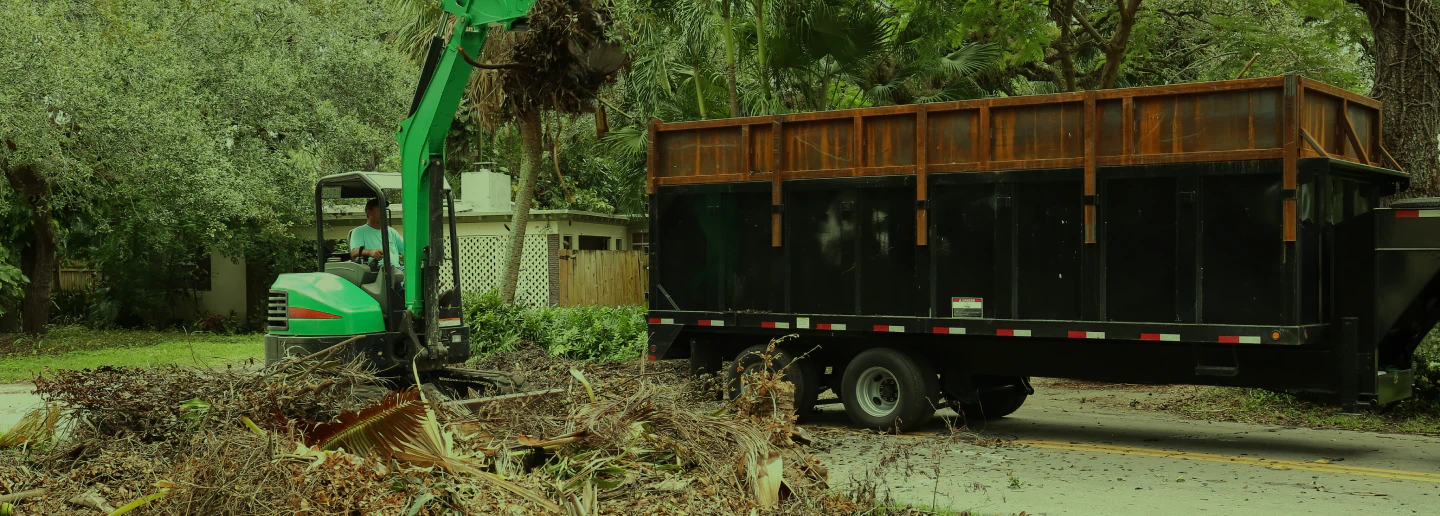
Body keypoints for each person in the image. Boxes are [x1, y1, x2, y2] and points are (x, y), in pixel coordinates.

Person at [349, 198, 405, 271]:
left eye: (385, 210)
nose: (384, 213)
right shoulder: (359, 231)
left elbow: (406, 249)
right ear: (369, 212)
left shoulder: (391, 231)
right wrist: (370, 252)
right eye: (380, 210)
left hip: (396, 270)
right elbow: (354, 252)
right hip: (376, 271)